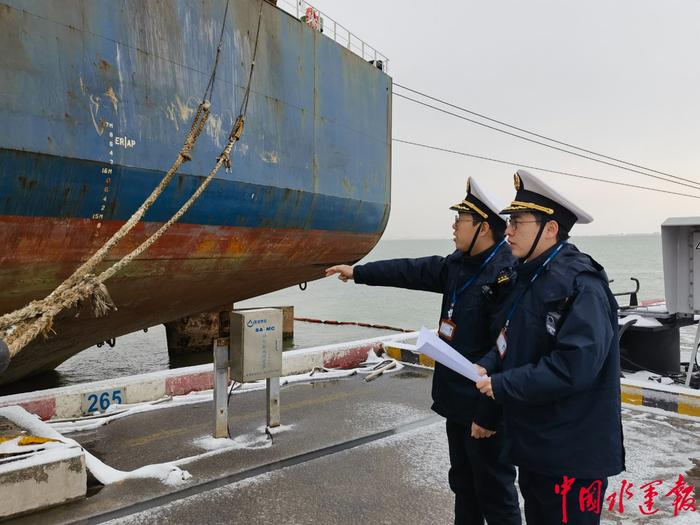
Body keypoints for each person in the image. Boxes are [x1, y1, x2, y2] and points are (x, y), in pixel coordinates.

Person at [326, 177, 521, 525]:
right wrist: (358, 273)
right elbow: (411, 270)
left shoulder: (505, 275)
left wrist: (488, 416)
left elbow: (507, 352)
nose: (453, 226)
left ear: (482, 227)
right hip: (456, 403)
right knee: (463, 485)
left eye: (460, 220)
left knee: (495, 492)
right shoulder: (458, 265)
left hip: (484, 410)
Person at [476, 170, 625, 525]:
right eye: (509, 222)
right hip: (538, 446)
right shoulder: (529, 277)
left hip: (572, 452)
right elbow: (510, 338)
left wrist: (502, 385)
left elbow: (575, 367)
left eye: (517, 222)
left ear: (551, 229)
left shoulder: (581, 285)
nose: (508, 231)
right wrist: (487, 364)